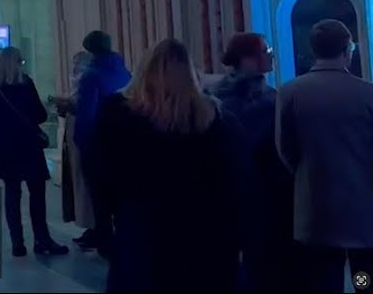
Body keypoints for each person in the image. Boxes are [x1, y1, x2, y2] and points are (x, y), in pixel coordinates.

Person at [98, 38, 240, 291]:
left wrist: (109, 219)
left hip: (142, 228)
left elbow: (103, 176)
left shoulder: (119, 114)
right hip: (203, 232)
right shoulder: (213, 117)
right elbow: (231, 180)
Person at [277, 19, 373, 294]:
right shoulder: (367, 94)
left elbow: (285, 150)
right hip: (364, 211)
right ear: (348, 50)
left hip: (315, 210)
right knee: (364, 280)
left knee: (324, 283)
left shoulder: (290, 92)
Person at [213, 32, 295, 292]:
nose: (270, 55)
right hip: (264, 195)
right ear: (248, 59)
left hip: (230, 193)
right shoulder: (267, 100)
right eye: (265, 51)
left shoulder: (215, 97)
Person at [0, 47, 69, 257]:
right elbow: (39, 114)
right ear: (17, 63)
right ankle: (42, 239)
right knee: (37, 195)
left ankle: (17, 242)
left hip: (4, 150)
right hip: (28, 146)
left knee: (12, 194)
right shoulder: (25, 84)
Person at [75, 30, 131, 253]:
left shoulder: (92, 75)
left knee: (100, 199)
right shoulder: (125, 71)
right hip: (122, 141)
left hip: (97, 143)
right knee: (120, 198)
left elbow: (87, 114)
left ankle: (106, 244)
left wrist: (82, 143)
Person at [51, 51, 95, 247]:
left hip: (86, 140)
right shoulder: (79, 84)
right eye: (74, 63)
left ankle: (94, 227)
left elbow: (87, 110)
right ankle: (88, 226)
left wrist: (68, 106)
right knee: (78, 183)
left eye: (79, 64)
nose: (75, 68)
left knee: (86, 185)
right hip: (75, 140)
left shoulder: (90, 82)